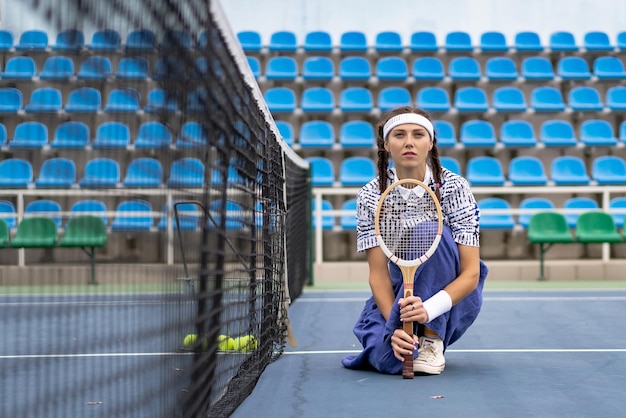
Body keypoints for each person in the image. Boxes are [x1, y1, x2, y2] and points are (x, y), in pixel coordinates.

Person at [341, 106, 488, 375]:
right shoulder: (370, 196)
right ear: (386, 144)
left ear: (430, 142)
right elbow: (378, 275)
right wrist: (396, 327)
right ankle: (405, 337)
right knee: (389, 359)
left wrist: (428, 311)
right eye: (399, 134)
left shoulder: (455, 188)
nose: (409, 142)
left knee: (430, 231)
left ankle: (432, 338)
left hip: (450, 293)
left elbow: (471, 273)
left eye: (418, 134)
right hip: (400, 290)